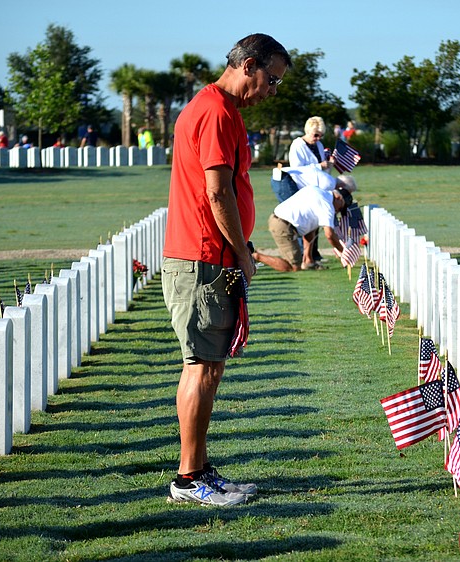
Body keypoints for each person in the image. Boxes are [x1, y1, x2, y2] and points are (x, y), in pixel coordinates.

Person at [161, 33, 291, 506]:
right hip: (202, 258)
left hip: (215, 257)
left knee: (212, 366)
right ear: (249, 65)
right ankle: (188, 479)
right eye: (271, 80)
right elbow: (218, 194)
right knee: (199, 366)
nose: (272, 90)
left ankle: (200, 470)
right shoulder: (215, 110)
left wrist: (241, 250)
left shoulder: (225, 111)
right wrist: (242, 252)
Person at [252, 184, 352, 272]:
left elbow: (310, 228)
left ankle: (308, 261)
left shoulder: (316, 190)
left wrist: (308, 258)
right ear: (339, 197)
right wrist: (343, 252)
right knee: (293, 267)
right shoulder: (327, 206)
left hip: (280, 220)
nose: (338, 211)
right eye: (341, 208)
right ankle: (256, 256)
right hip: (283, 224)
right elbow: (329, 235)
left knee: (297, 262)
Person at [287, 116, 336, 263]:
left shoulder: (319, 146)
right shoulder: (297, 145)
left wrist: (328, 165)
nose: (318, 138)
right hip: (301, 187)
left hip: (316, 188)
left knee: (316, 221)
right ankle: (305, 255)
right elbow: (296, 169)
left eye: (321, 135)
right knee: (305, 223)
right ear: (308, 131)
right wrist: (319, 166)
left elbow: (322, 169)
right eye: (315, 135)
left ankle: (314, 254)